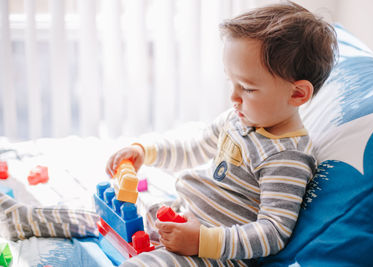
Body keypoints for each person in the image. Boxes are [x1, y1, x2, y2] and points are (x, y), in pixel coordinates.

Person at [0, 1, 337, 266]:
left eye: (247, 88)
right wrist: (145, 151)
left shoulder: (287, 157)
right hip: (178, 217)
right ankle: (24, 219)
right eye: (230, 81)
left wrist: (201, 240)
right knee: (102, 215)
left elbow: (272, 233)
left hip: (214, 256)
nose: (232, 97)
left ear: (298, 94)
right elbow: (193, 146)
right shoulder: (241, 118)